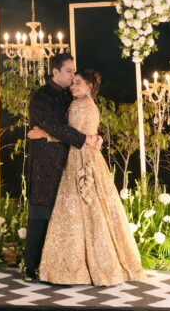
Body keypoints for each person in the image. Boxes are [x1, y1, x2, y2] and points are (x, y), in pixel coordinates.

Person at [28, 69, 146, 286]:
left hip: (81, 159)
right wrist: (90, 138)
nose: (73, 86)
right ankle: (83, 266)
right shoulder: (83, 103)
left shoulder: (82, 106)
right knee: (85, 210)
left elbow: (72, 135)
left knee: (79, 209)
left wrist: (45, 135)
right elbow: (79, 134)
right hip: (83, 157)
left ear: (89, 86)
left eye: (78, 83)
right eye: (73, 82)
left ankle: (77, 269)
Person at [22, 53, 103, 282]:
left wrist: (95, 137)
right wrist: (84, 138)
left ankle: (63, 266)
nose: (72, 75)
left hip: (71, 162)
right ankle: (30, 265)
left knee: (67, 217)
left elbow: (82, 123)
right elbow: (54, 126)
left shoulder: (72, 95)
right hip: (46, 163)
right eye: (69, 71)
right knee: (41, 213)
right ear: (55, 71)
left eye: (74, 71)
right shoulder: (41, 96)